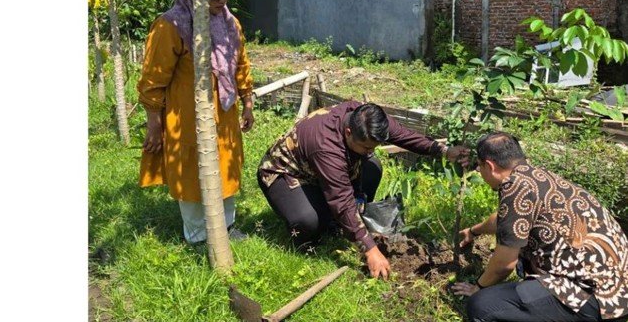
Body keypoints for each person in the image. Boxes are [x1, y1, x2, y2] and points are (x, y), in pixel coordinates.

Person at [257, 100, 469, 279]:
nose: (370, 151)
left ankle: (342, 224)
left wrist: (445, 151)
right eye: (366, 147)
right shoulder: (326, 147)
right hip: (286, 174)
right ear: (348, 132)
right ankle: (313, 235)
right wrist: (370, 249)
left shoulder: (367, 117)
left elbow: (405, 136)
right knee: (309, 220)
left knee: (372, 167)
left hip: (321, 171)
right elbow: (341, 201)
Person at [452, 132, 628, 322]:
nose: (479, 170)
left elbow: (504, 264)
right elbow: (506, 220)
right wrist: (474, 231)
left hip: (594, 297)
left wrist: (478, 287)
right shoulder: (536, 177)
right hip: (618, 287)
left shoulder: (515, 187)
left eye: (480, 166)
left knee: (484, 305)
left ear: (490, 166)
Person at [138, 0, 255, 245]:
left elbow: (241, 66)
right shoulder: (171, 26)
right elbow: (153, 79)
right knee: (191, 170)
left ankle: (226, 226)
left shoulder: (230, 23)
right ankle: (198, 236)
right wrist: (154, 123)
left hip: (225, 113)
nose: (222, 1)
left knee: (226, 164)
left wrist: (248, 103)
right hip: (187, 115)